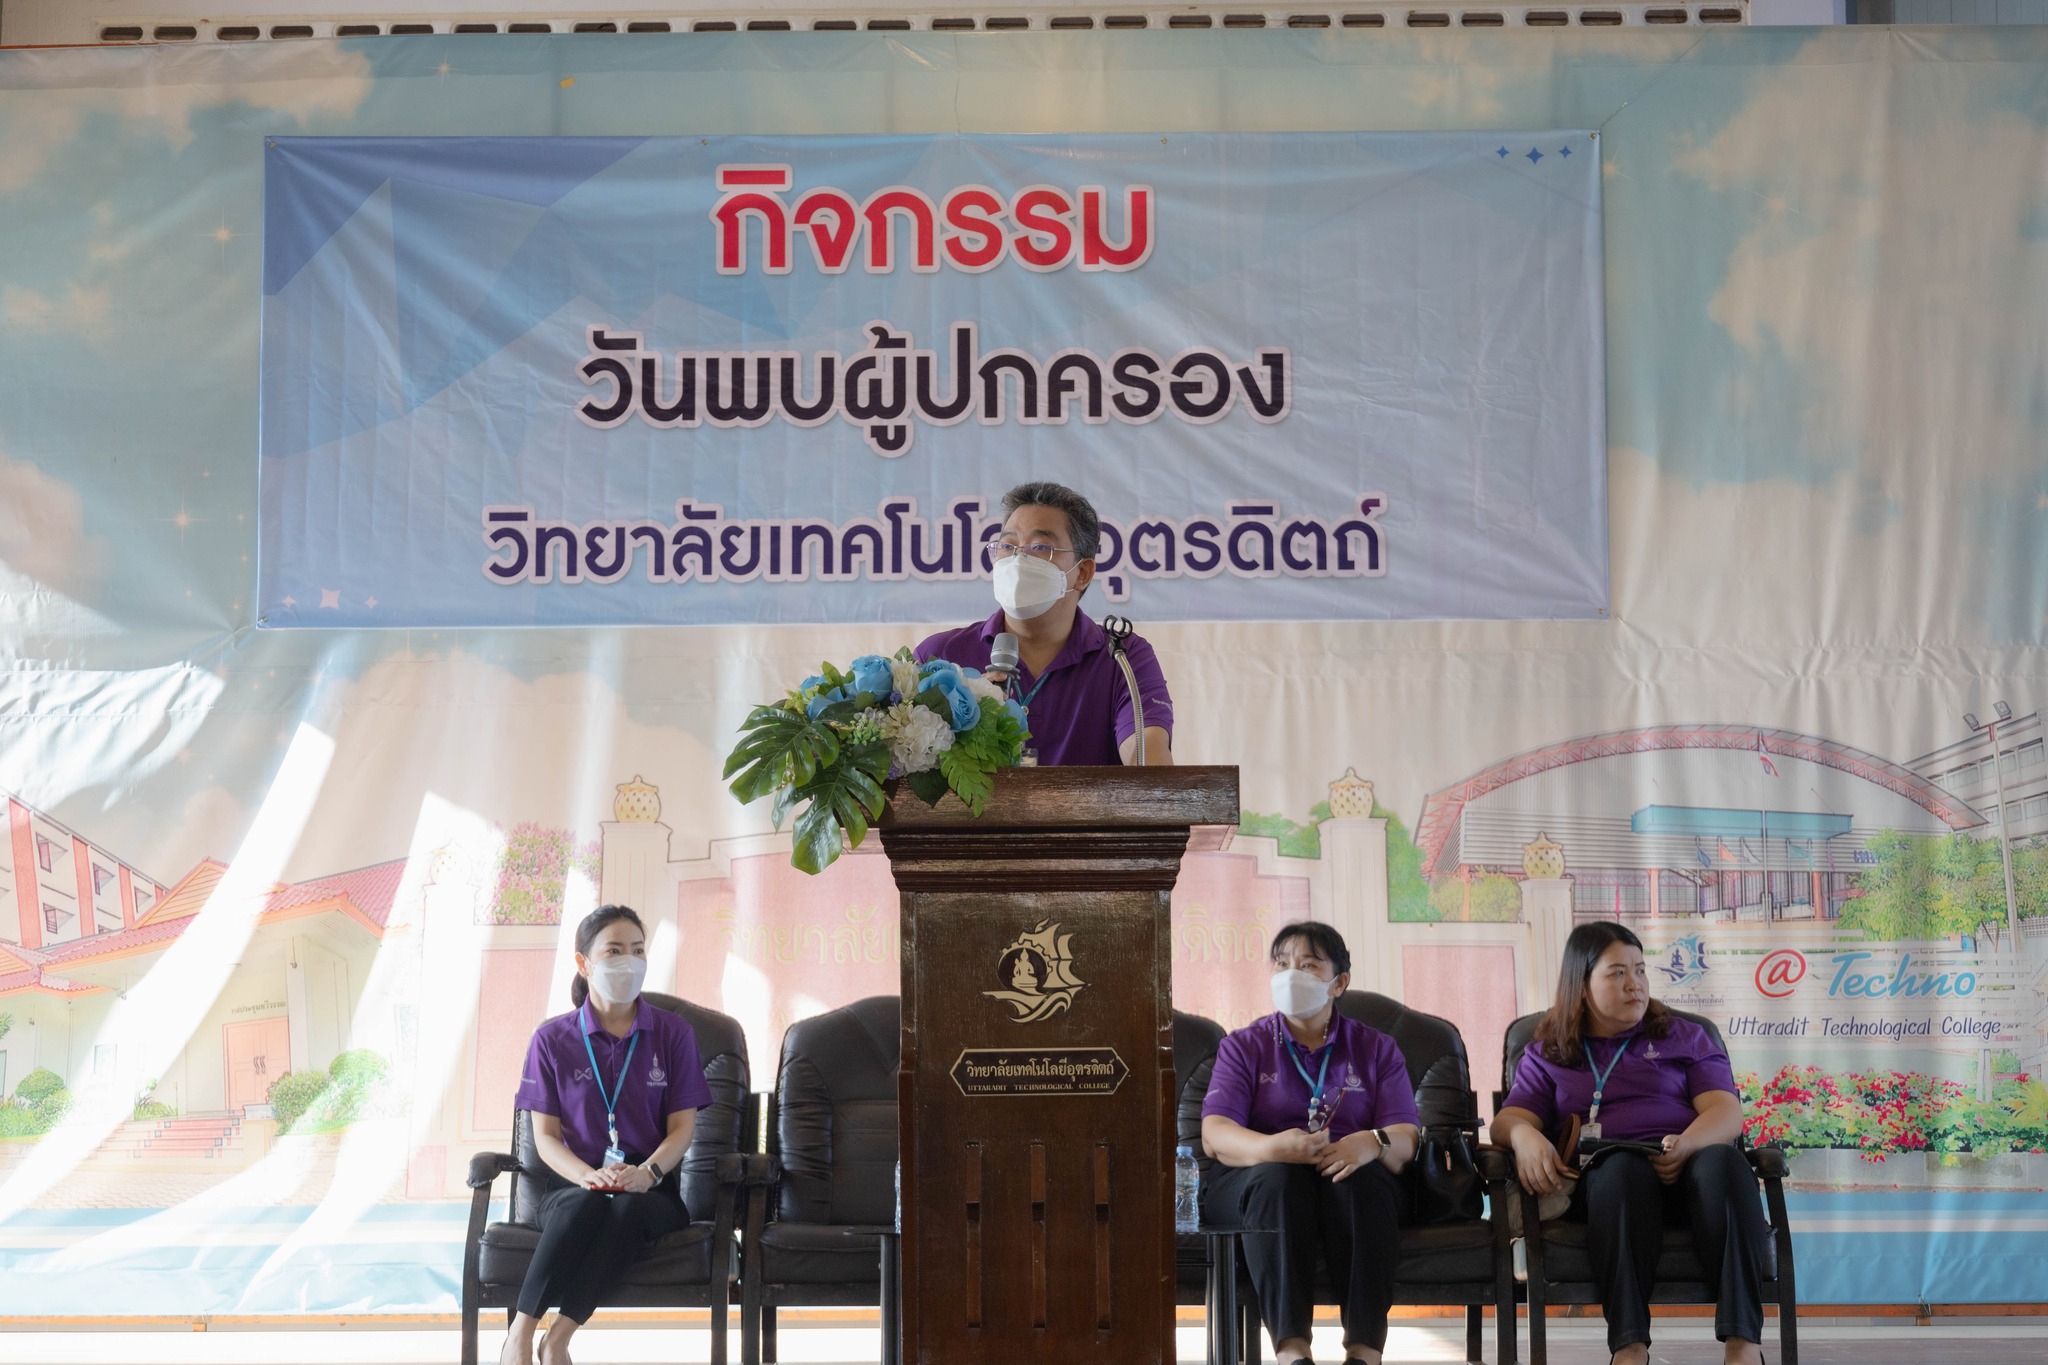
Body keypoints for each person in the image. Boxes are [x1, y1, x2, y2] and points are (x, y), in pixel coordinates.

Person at [1492, 921, 1769, 1365]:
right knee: (1620, 1169)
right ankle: (1629, 1347)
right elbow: (1510, 1118)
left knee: (1726, 1165)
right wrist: (1524, 1136)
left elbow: (1726, 1112)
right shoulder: (1550, 1049)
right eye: (1617, 973)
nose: (1634, 985)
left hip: (1689, 1173)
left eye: (1640, 971)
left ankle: (1743, 1346)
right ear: (1581, 986)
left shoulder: (1682, 1036)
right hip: (1609, 1187)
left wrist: (1686, 1145)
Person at [499, 905, 714, 1365]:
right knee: (591, 1201)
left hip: (651, 1186)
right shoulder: (552, 1039)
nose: (628, 961)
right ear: (584, 963)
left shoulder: (673, 1034)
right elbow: (546, 1137)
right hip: (572, 1184)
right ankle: (519, 1332)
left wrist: (649, 1171)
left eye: (637, 950)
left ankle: (558, 1338)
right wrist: (587, 1176)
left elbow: (683, 1127)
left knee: (628, 1207)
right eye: (614, 950)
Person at [1199, 922, 1420, 1365]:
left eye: (1308, 965)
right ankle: (1292, 1351)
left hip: (1345, 1173)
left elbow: (1405, 1139)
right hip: (1258, 1177)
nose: (1290, 974)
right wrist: (1271, 1149)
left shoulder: (1377, 1048)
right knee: (1279, 1181)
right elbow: (1215, 1134)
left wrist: (1371, 1142)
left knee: (1365, 1182)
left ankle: (1364, 1351)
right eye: (1281, 964)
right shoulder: (1245, 1045)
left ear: (1339, 983)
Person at [916, 480, 1173, 765]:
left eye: (1040, 546)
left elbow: (1149, 762)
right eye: (1007, 545)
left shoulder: (1123, 658)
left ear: (1083, 572)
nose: (1018, 558)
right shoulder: (941, 655)